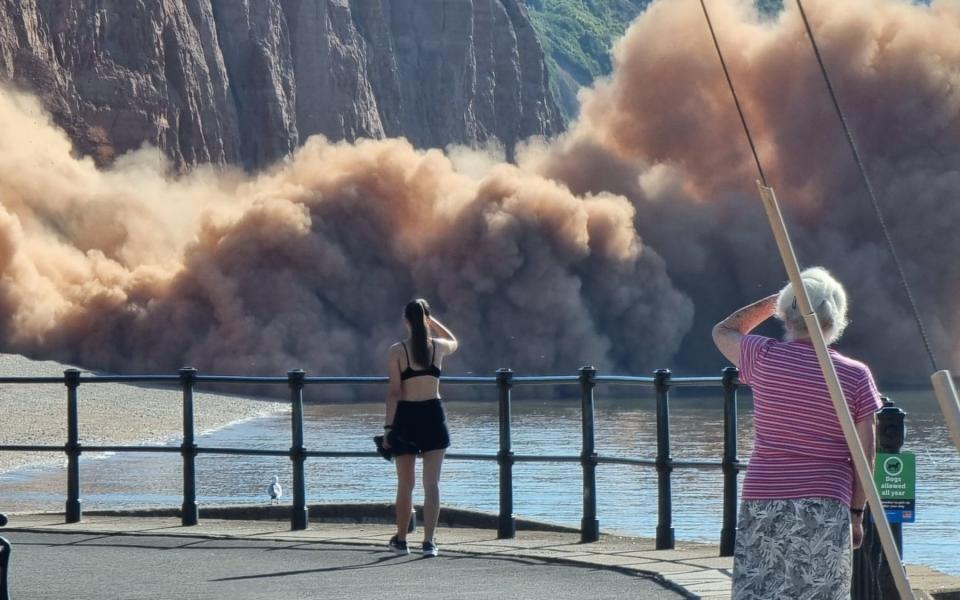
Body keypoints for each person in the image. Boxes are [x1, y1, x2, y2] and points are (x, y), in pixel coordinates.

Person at [712, 267, 882, 600]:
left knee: (758, 591)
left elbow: (724, 330)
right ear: (836, 317)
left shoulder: (763, 356)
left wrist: (779, 299)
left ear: (787, 315)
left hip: (764, 497)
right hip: (825, 500)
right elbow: (866, 454)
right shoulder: (855, 376)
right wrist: (856, 514)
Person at [383, 298, 458, 557]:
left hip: (406, 417)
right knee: (432, 484)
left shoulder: (397, 351)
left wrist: (388, 428)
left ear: (406, 320)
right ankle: (429, 542)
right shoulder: (437, 347)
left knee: (405, 485)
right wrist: (431, 321)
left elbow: (394, 393)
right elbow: (454, 341)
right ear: (426, 319)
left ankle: (401, 541)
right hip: (433, 417)